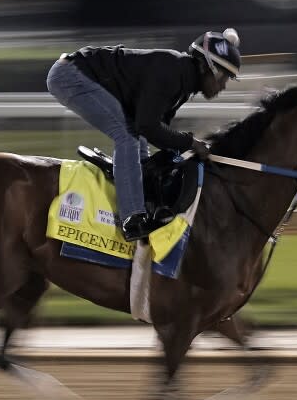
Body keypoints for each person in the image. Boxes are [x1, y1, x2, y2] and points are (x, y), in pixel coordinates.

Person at [46, 28, 242, 242]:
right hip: (70, 75)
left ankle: (140, 199)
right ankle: (132, 218)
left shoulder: (184, 84)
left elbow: (157, 131)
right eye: (224, 76)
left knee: (137, 142)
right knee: (127, 136)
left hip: (85, 74)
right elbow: (148, 126)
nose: (223, 85)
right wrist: (190, 142)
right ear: (206, 66)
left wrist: (184, 150)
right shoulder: (171, 72)